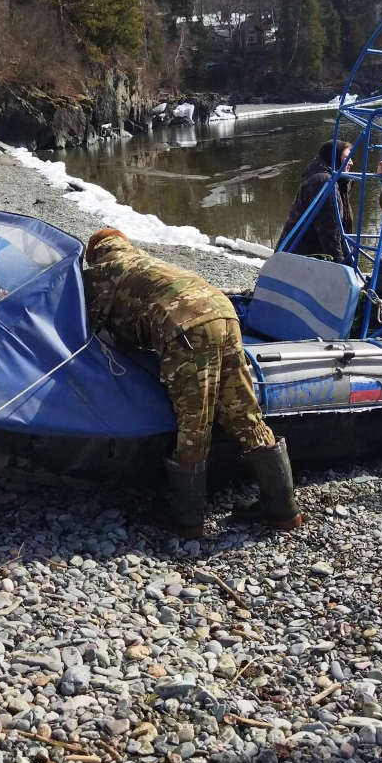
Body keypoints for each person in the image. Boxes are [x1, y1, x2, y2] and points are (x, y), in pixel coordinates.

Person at [81, 228, 300, 538]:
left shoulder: (104, 270)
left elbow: (85, 324)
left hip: (186, 328)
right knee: (243, 411)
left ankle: (188, 520)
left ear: (97, 253)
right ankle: (283, 511)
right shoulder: (144, 262)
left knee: (194, 422)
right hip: (224, 313)